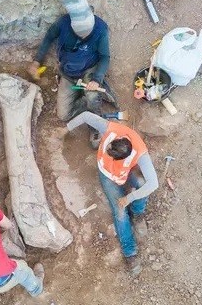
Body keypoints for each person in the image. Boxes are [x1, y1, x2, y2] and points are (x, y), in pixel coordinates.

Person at [66, 111, 159, 275]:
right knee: (120, 211)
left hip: (124, 173)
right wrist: (66, 128)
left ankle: (137, 213)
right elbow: (87, 116)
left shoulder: (140, 152)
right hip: (107, 176)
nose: (107, 150)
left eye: (112, 154)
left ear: (123, 156)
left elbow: (153, 184)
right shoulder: (111, 129)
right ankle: (130, 252)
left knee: (143, 184)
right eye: (108, 148)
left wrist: (129, 198)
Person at [27, 0, 111, 121]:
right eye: (81, 35)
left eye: (88, 34)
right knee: (63, 115)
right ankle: (85, 100)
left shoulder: (100, 29)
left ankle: (94, 116)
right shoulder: (63, 24)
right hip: (68, 74)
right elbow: (49, 37)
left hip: (89, 70)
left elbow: (105, 57)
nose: (85, 37)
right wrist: (37, 61)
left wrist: (96, 79)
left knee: (92, 97)